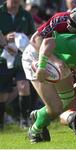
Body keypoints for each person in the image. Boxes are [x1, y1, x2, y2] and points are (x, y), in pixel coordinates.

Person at [0, 0, 35, 129]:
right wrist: (4, 39)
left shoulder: (26, 14)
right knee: (2, 93)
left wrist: (23, 38)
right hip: (3, 58)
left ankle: (25, 121)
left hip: (22, 57)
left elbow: (32, 34)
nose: (15, 2)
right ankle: (1, 124)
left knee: (24, 86)